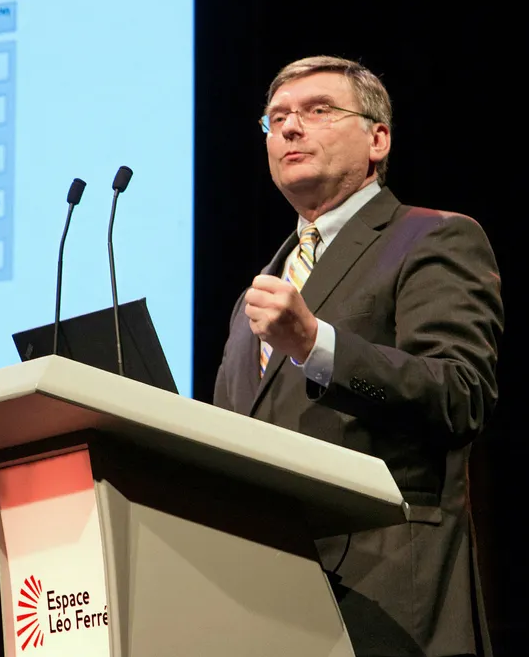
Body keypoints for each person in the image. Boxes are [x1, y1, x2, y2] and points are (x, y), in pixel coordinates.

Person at [212, 56, 504, 657]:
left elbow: (459, 393)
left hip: (387, 598)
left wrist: (315, 345)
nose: (290, 128)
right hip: (263, 603)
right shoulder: (258, 293)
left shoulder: (433, 237)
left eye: (318, 110)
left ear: (378, 140)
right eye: (276, 118)